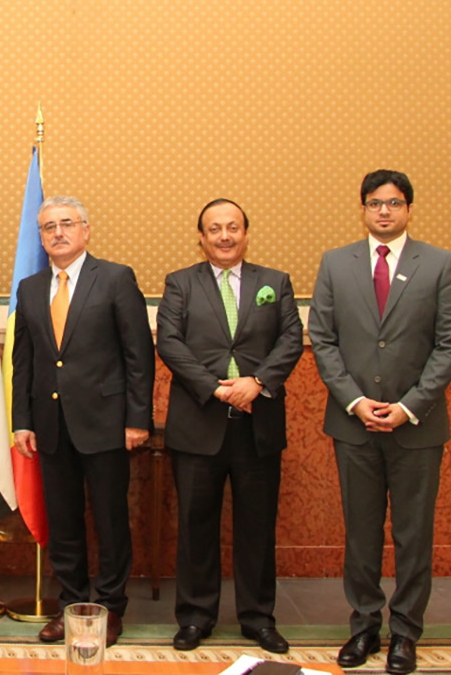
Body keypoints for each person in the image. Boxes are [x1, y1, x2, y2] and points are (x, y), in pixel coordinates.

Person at [309, 170, 451, 675]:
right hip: (353, 424)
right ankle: (363, 628)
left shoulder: (439, 264)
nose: (384, 211)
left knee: (413, 534)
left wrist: (408, 406)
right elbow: (323, 339)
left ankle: (405, 633)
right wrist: (355, 401)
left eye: (394, 203)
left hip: (417, 426)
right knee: (361, 533)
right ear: (362, 208)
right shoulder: (336, 263)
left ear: (408, 209)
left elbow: (450, 344)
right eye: (375, 202)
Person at [156, 199, 303, 654]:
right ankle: (195, 617)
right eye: (215, 229)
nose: (224, 236)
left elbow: (291, 339)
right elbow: (170, 343)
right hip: (198, 423)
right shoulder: (180, 283)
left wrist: (257, 382)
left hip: (257, 425)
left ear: (246, 233)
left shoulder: (274, 282)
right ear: (201, 237)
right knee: (195, 526)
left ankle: (258, 618)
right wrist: (216, 389)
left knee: (257, 528)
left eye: (233, 227)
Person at [11, 195, 154, 645]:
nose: (58, 233)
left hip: (107, 424)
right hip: (51, 426)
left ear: (86, 230)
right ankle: (71, 607)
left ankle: (110, 609)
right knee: (64, 524)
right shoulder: (30, 288)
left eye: (67, 223)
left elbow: (138, 355)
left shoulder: (115, 278)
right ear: (41, 237)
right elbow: (24, 361)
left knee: (111, 522)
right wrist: (22, 420)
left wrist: (137, 419)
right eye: (48, 227)